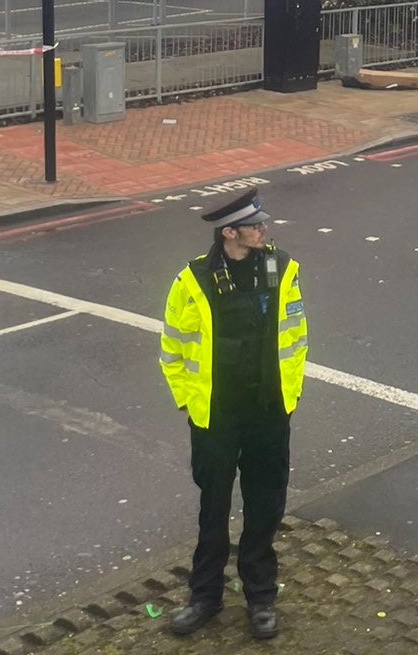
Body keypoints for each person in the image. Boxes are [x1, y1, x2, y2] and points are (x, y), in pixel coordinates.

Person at [160, 188, 307, 641]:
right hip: (216, 415)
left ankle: (260, 597)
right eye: (255, 225)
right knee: (214, 507)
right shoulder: (193, 279)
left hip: (268, 411)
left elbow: (297, 333)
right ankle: (205, 597)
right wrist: (189, 401)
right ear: (230, 232)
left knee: (265, 505)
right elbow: (172, 346)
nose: (264, 229)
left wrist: (290, 395)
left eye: (262, 223)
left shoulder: (282, 268)